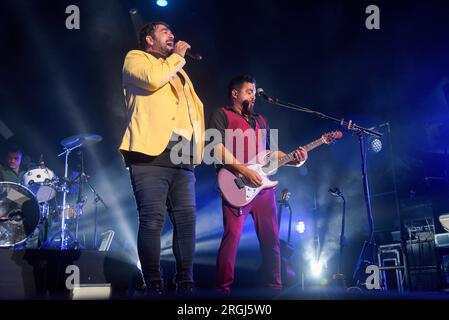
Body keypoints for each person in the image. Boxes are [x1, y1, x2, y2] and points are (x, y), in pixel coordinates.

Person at [119, 21, 205, 296]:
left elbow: (195, 110)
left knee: (186, 220)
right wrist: (177, 56)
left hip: (182, 153)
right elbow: (153, 79)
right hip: (149, 152)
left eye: (172, 31)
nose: (172, 34)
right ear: (149, 39)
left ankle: (185, 281)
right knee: (152, 220)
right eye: (164, 31)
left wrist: (196, 149)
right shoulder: (136, 59)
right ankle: (154, 283)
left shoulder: (178, 71)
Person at [208, 75, 308, 294]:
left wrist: (296, 159)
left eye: (254, 91)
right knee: (232, 239)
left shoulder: (261, 120)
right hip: (237, 184)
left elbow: (272, 154)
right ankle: (221, 291)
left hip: (263, 190)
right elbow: (215, 148)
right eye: (249, 91)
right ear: (235, 94)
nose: (254, 96)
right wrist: (243, 170)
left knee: (272, 240)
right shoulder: (222, 114)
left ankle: (275, 289)